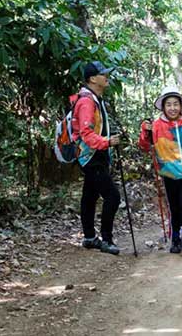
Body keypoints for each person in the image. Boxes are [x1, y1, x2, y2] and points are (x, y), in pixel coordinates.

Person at [139, 86, 182, 254]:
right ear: (163, 107)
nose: (172, 108)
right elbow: (145, 146)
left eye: (175, 104)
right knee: (173, 205)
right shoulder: (155, 126)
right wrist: (145, 132)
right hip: (168, 173)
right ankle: (175, 238)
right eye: (168, 104)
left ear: (181, 106)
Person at [72, 61, 122, 255]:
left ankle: (89, 237)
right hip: (91, 156)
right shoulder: (87, 102)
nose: (106, 77)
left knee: (90, 196)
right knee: (113, 196)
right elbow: (86, 133)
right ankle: (106, 240)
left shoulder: (94, 99)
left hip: (94, 155)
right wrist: (107, 142)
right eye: (103, 74)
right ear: (93, 79)